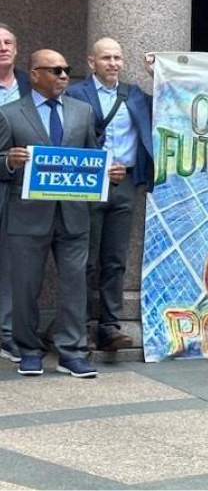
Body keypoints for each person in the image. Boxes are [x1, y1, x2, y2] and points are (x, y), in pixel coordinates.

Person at [0, 49, 108, 378]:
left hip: (74, 215)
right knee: (24, 286)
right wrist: (8, 161)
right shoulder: (9, 114)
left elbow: (93, 156)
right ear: (34, 74)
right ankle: (28, 349)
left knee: (75, 284)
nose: (63, 76)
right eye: (55, 70)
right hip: (27, 215)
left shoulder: (84, 112)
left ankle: (72, 352)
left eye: (66, 69)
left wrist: (107, 174)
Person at [61, 37, 153, 353]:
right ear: (91, 62)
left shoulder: (135, 95)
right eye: (106, 58)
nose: (113, 63)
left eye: (117, 58)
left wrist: (160, 73)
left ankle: (110, 327)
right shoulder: (75, 93)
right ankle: (80, 325)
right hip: (86, 184)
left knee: (115, 259)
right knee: (84, 258)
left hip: (125, 184)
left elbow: (171, 102)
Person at [0, 22, 32, 363]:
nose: (3, 47)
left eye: (8, 42)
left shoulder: (30, 84)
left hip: (21, 184)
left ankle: (8, 332)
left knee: (10, 260)